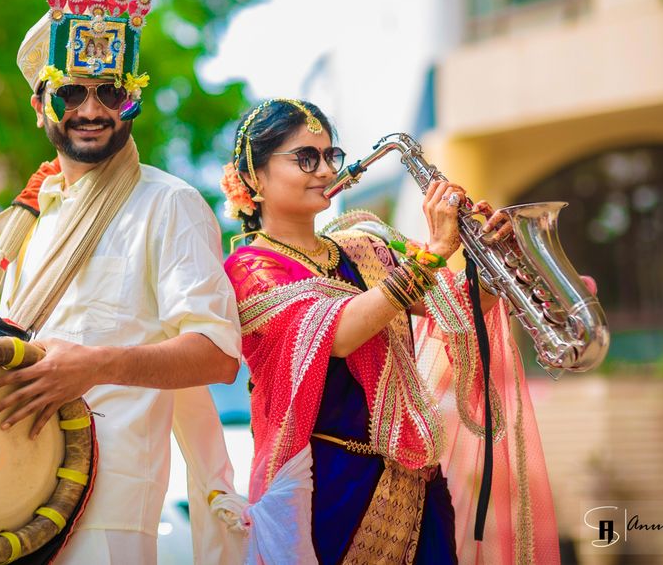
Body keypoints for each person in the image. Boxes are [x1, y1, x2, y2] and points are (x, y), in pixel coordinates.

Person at [0, 0, 245, 563]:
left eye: (110, 91)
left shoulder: (170, 203)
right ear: (41, 104)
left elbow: (217, 355)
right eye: (72, 92)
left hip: (107, 508)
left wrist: (95, 366)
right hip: (10, 491)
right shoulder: (26, 220)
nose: (91, 109)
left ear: (131, 99)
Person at [220, 99, 562, 564]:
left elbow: (459, 305)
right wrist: (436, 249)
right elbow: (338, 334)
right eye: (306, 157)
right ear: (253, 178)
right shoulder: (248, 268)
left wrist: (494, 258)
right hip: (328, 487)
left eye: (329, 156)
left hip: (417, 480)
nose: (324, 170)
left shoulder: (365, 246)